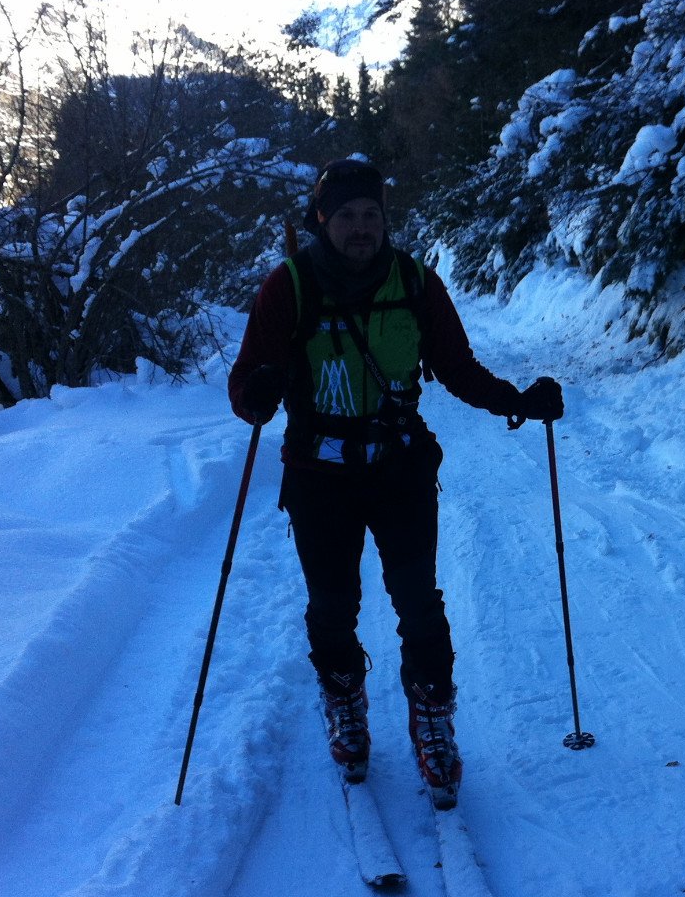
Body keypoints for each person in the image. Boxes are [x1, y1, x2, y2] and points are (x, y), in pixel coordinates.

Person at [227, 158, 563, 809]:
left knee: (418, 602)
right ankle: (345, 700)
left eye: (372, 215)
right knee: (332, 605)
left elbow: (457, 368)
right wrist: (259, 393)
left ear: (386, 220)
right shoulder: (288, 288)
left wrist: (517, 399)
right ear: (321, 219)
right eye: (347, 215)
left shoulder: (415, 283)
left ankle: (432, 719)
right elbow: (246, 389)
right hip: (318, 475)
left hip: (399, 466)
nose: (361, 228)